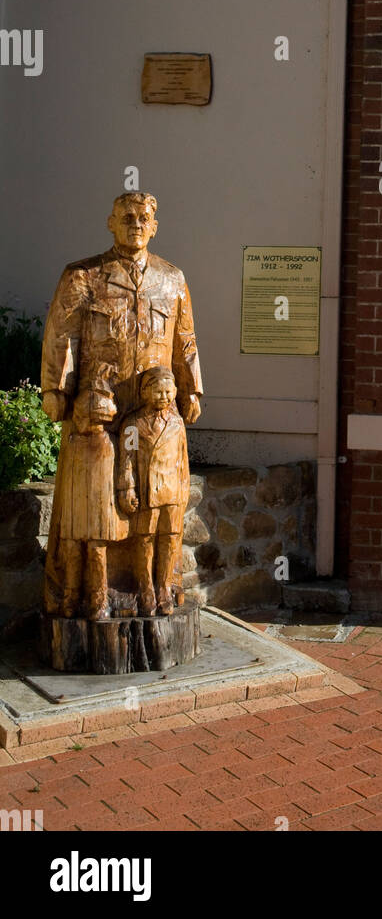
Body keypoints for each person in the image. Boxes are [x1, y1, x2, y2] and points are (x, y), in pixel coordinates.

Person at [41, 190, 203, 619]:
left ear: (154, 226)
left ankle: (150, 587)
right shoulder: (84, 276)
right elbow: (63, 335)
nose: (135, 223)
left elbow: (184, 340)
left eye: (144, 217)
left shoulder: (172, 279)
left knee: (152, 502)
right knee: (96, 510)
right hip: (99, 411)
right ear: (111, 223)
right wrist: (56, 391)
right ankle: (92, 593)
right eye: (126, 216)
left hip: (153, 410)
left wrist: (190, 390)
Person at [116, 367, 190, 617]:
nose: (164, 396)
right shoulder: (133, 424)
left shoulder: (177, 423)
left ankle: (164, 588)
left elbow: (183, 461)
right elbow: (126, 460)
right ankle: (145, 589)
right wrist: (127, 488)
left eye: (169, 392)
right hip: (147, 493)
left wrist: (184, 491)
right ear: (144, 392)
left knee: (169, 539)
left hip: (171, 493)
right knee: (145, 540)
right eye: (158, 391)